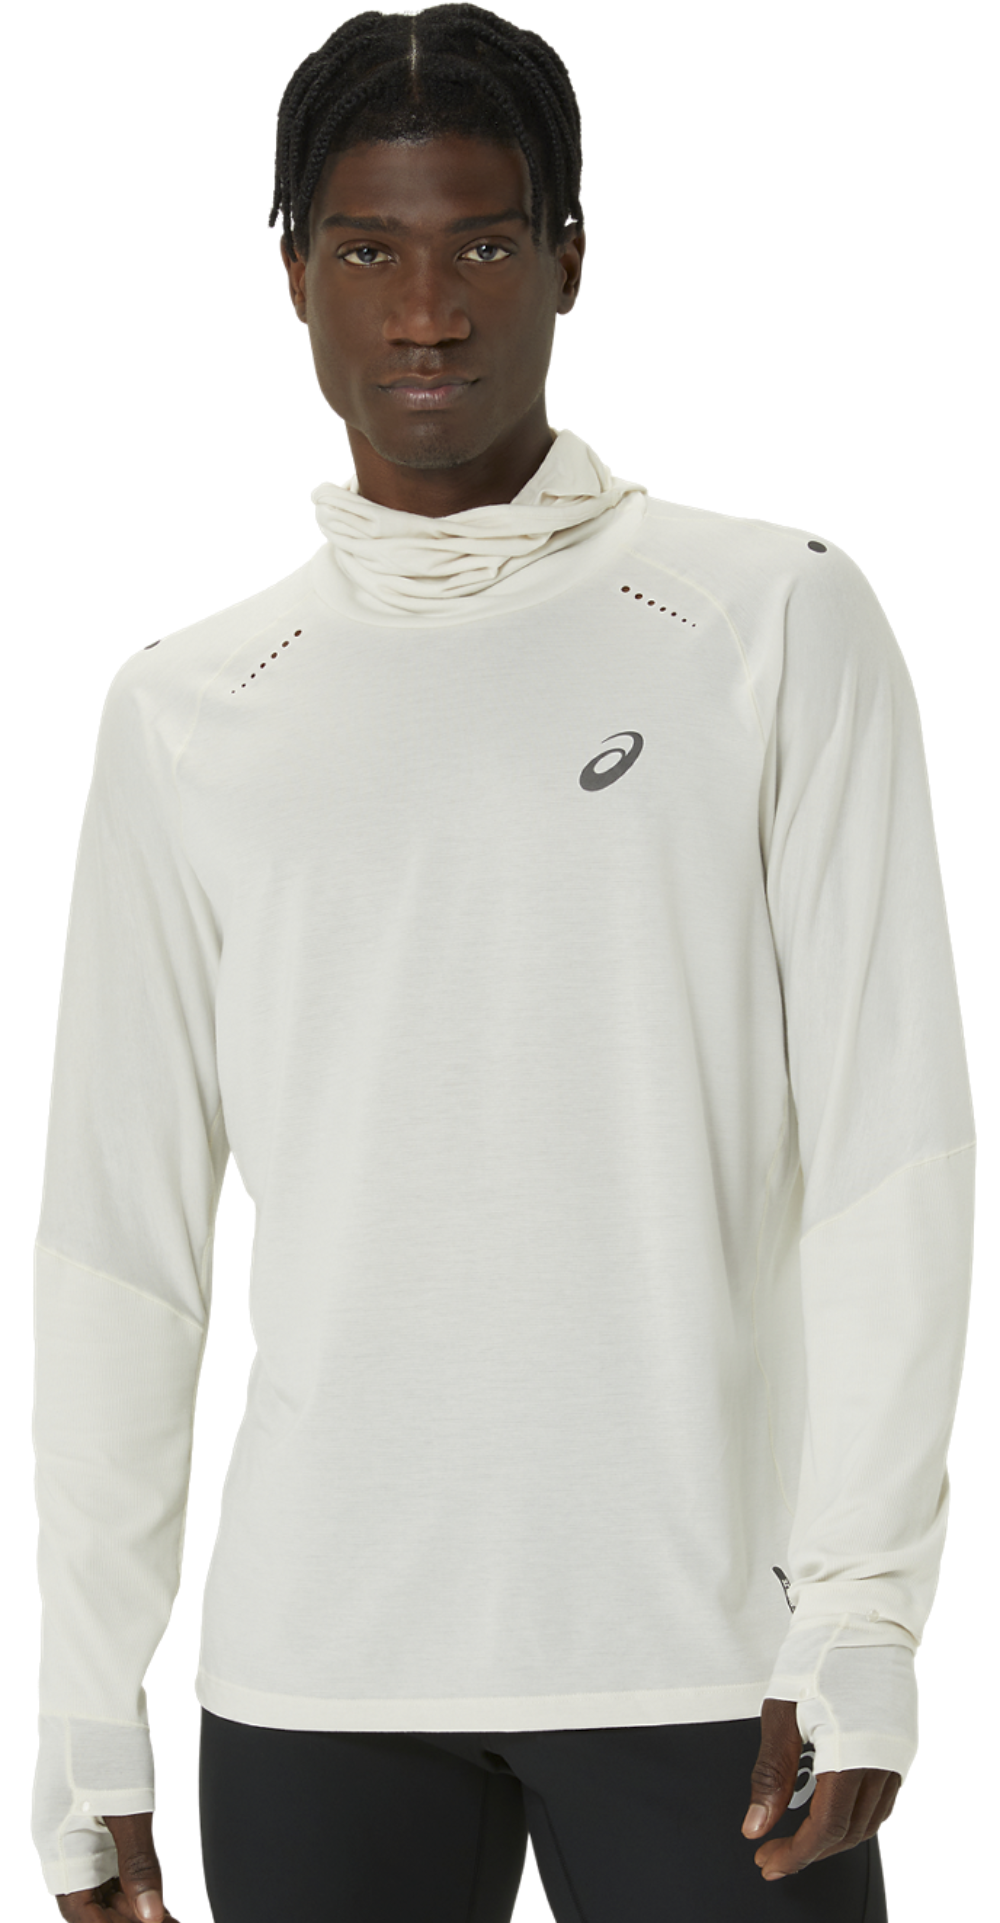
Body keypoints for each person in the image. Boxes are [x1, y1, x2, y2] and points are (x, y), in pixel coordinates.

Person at [33, 7, 975, 1922]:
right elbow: (122, 1243)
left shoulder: (769, 618)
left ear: (569, 258)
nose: (426, 310)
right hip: (317, 1665)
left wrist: (866, 1609)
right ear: (292, 272)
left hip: (709, 1647)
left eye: (479, 242)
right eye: (368, 249)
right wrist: (84, 1704)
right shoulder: (190, 706)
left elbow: (892, 1149)